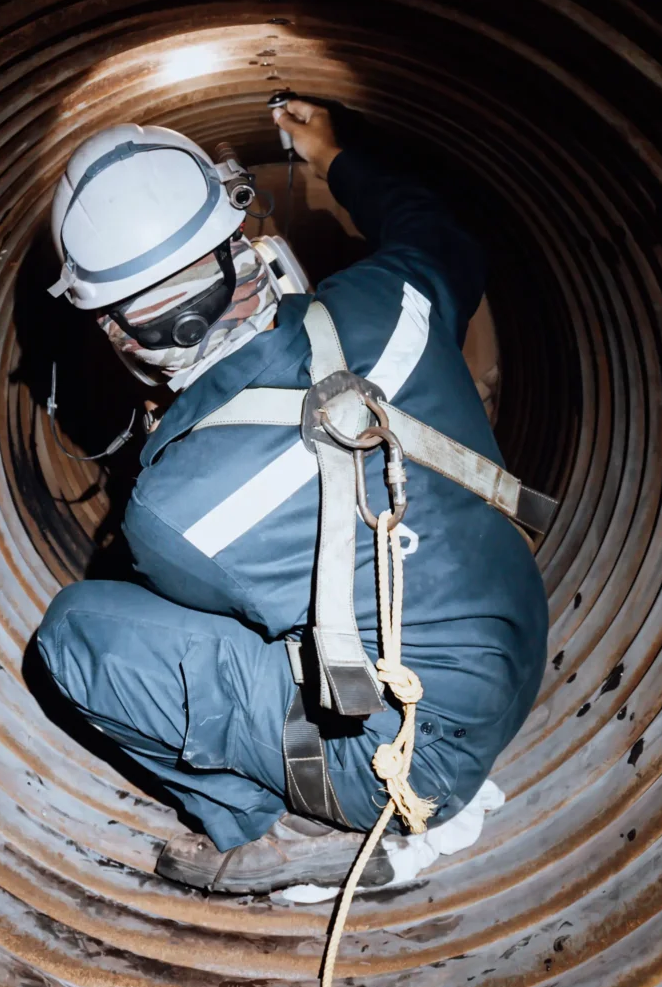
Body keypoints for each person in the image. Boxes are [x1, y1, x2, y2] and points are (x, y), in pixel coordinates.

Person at [28, 95, 550, 894]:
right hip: (518, 655)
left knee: (77, 636)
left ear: (120, 334)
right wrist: (334, 153)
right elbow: (434, 225)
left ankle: (275, 829)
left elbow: (215, 633)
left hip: (405, 762)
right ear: (243, 241)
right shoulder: (391, 292)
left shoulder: (169, 509)